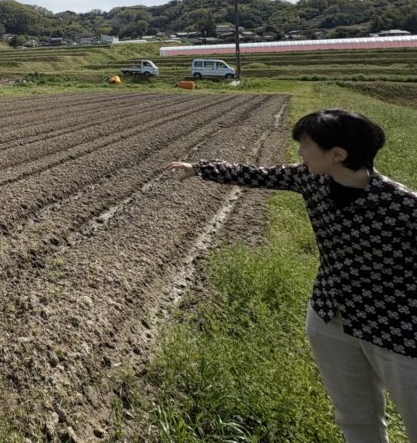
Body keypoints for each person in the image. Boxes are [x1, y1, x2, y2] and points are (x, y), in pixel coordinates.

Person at [166, 108, 416, 443]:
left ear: (337, 155)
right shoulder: (311, 179)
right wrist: (199, 168)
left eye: (306, 145)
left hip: (394, 328)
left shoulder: (402, 205)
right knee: (355, 418)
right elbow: (255, 174)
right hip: (330, 315)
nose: (299, 152)